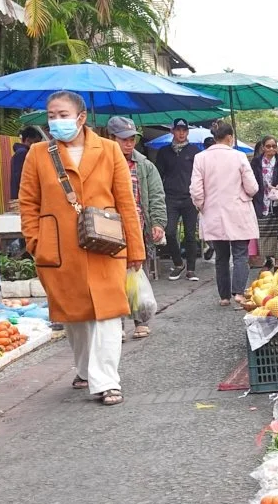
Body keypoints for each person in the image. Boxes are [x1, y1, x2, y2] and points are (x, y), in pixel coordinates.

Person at [18, 91, 144, 406]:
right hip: (59, 248)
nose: (56, 120)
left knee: (108, 312)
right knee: (75, 317)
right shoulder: (37, 153)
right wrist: (35, 241)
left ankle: (107, 381)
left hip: (106, 243)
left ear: (81, 117)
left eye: (62, 114)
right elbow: (28, 203)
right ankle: (86, 369)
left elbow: (125, 202)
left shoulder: (110, 150)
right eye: (51, 115)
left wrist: (136, 248)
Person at [107, 116, 166, 340]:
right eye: (123, 139)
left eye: (132, 139)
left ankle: (140, 321)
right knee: (114, 279)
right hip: (110, 230)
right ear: (111, 139)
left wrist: (158, 222)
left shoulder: (145, 166)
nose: (128, 143)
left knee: (137, 276)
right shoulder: (103, 164)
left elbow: (157, 195)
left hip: (138, 229)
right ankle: (117, 324)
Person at [190, 121, 259, 308]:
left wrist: (203, 206)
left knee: (221, 256)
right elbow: (252, 188)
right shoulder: (239, 157)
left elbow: (196, 190)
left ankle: (224, 297)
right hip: (238, 211)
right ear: (230, 137)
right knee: (240, 254)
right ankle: (238, 292)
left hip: (213, 213)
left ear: (214, 137)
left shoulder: (200, 158)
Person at [155, 118, 200, 281]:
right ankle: (178, 263)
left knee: (190, 235)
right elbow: (158, 176)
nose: (181, 133)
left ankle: (191, 269)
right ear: (172, 131)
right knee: (169, 232)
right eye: (178, 130)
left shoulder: (195, 151)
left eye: (184, 130)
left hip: (190, 198)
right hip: (170, 198)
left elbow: (200, 175)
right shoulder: (164, 152)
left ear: (187, 132)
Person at [250, 136, 278, 269]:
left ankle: (277, 261)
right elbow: (250, 180)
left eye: (273, 146)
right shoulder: (256, 162)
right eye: (268, 146)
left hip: (277, 202)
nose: (271, 149)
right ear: (263, 147)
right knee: (263, 233)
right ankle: (267, 259)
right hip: (261, 202)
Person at [10, 126, 44, 199]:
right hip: (25, 197)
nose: (39, 145)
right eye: (37, 142)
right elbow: (20, 177)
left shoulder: (22, 152)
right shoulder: (23, 153)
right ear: (28, 140)